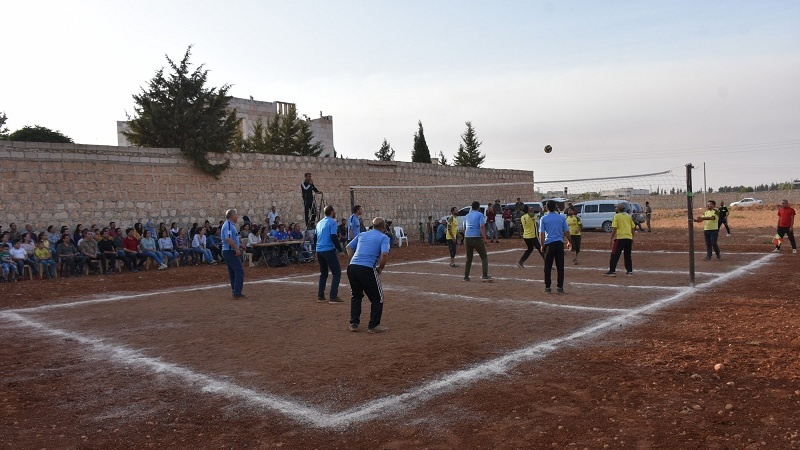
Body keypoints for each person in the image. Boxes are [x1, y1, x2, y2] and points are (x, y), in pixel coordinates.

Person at [347, 217, 391, 333]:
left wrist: (354, 261)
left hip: (352, 267)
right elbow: (385, 254)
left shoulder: (362, 235)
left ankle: (354, 323)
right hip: (366, 268)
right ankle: (373, 325)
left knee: (356, 295)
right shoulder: (383, 237)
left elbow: (348, 247)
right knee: (378, 298)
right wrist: (380, 267)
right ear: (383, 227)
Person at [539, 200, 572, 293]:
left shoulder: (544, 218)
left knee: (548, 267)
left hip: (549, 244)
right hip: (559, 244)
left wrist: (542, 245)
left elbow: (541, 234)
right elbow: (566, 232)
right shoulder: (561, 218)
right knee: (560, 267)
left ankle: (547, 287)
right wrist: (569, 242)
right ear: (555, 207)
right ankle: (560, 287)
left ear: (546, 207)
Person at [316, 205, 344, 303]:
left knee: (323, 273)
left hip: (319, 250)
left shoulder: (319, 223)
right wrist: (340, 250)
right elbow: (333, 236)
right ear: (331, 212)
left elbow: (316, 237)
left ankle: (321, 296)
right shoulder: (332, 222)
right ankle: (333, 296)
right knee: (336, 272)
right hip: (328, 249)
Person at [463, 201, 492, 282]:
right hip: (476, 238)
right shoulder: (480, 214)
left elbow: (464, 229)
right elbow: (482, 226)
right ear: (478, 207)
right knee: (484, 256)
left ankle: (466, 276)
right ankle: (485, 275)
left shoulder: (467, 216)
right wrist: (485, 239)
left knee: (469, 258)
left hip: (467, 238)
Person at [222, 208, 247, 299]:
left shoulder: (230, 225)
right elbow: (228, 239)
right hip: (230, 251)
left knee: (233, 272)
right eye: (236, 215)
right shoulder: (228, 225)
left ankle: (235, 291)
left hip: (228, 250)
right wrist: (236, 248)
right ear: (232, 216)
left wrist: (239, 245)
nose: (237, 217)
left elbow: (231, 238)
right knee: (239, 271)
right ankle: (237, 292)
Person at [604, 204, 636, 276]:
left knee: (614, 254)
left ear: (618, 209)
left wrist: (611, 238)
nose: (615, 208)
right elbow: (633, 227)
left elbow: (614, 228)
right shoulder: (628, 216)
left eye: (616, 207)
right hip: (628, 238)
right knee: (627, 255)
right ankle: (629, 271)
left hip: (620, 238)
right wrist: (632, 237)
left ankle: (612, 271)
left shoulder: (616, 216)